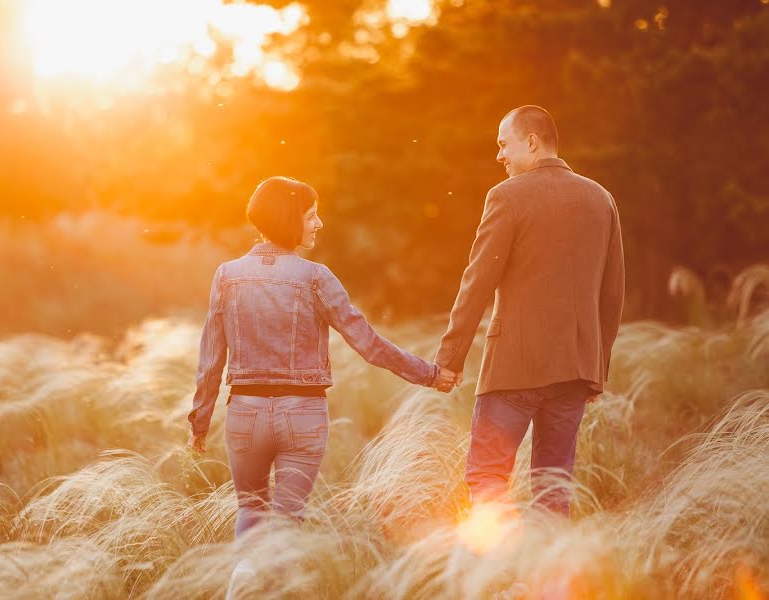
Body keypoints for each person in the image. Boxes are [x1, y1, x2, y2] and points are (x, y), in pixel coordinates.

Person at [188, 176, 459, 537]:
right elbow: (368, 343)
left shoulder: (227, 276)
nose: (319, 223)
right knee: (286, 525)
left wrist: (199, 424)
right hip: (302, 415)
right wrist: (429, 374)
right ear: (290, 219)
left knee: (251, 512)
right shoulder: (316, 277)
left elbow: (210, 361)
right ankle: (269, 588)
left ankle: (243, 585)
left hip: (245, 412)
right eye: (311, 215)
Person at [435, 105, 625, 516]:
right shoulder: (601, 198)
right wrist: (596, 370)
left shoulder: (505, 196)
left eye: (504, 144)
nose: (499, 155)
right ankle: (540, 578)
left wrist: (450, 359)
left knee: (487, 477)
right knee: (553, 488)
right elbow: (612, 296)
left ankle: (495, 575)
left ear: (532, 142)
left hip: (512, 369)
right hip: (576, 371)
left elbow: (477, 281)